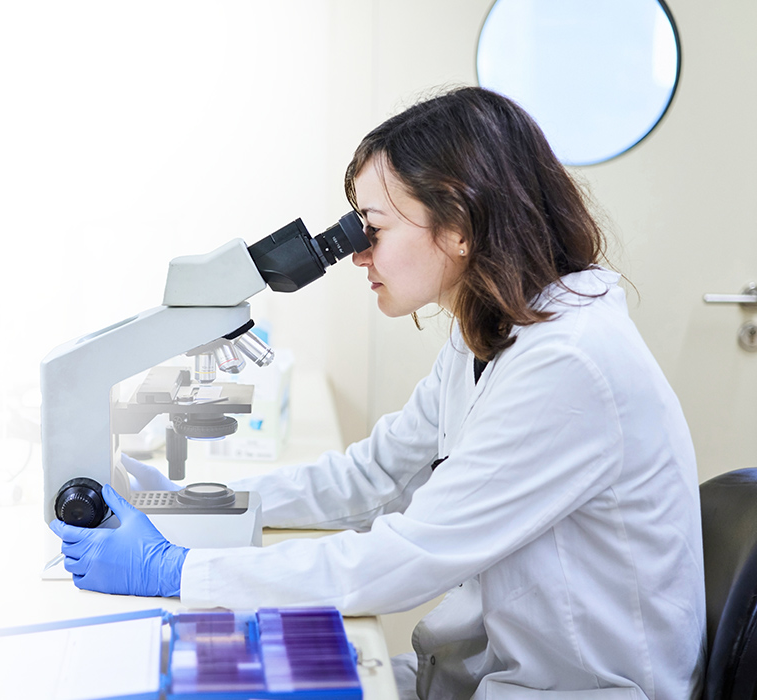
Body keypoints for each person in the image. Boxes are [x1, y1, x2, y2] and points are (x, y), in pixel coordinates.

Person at [50, 86, 706, 700]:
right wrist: (190, 507)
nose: (357, 254)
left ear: (458, 225)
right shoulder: (494, 330)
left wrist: (176, 570)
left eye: (373, 228)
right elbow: (373, 475)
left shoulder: (570, 363)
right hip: (484, 676)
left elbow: (405, 558)